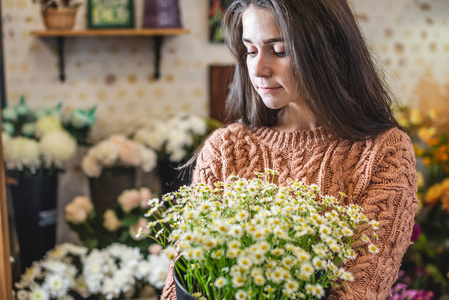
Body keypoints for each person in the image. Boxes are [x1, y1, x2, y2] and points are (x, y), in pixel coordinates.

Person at [161, 0, 419, 299]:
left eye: (279, 51)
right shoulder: (225, 148)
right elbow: (181, 279)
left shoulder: (384, 153)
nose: (258, 68)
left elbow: (359, 289)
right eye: (250, 50)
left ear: (327, 51)